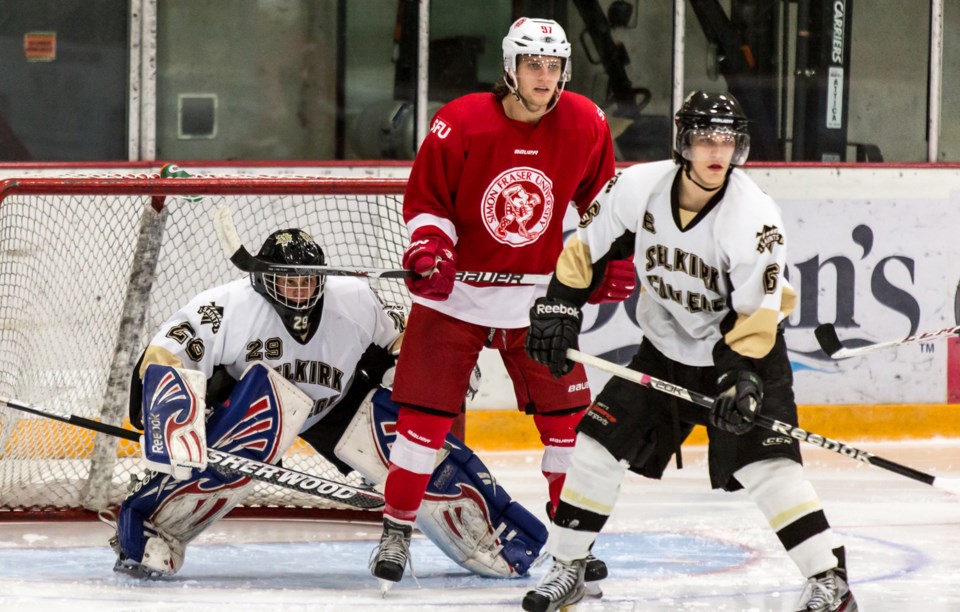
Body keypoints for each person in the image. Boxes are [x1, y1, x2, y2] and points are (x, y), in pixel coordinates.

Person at [523, 91, 858, 612]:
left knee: (768, 467)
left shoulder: (754, 217)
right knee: (594, 444)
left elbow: (755, 315)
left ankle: (828, 579)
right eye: (705, 139)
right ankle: (570, 569)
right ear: (683, 143)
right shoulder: (638, 187)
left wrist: (742, 379)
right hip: (664, 351)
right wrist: (561, 307)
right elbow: (588, 247)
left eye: (727, 140)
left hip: (745, 353)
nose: (717, 151)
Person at [106, 227, 546, 580]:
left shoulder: (352, 298)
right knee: (250, 425)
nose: (300, 291)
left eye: (307, 280)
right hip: (255, 405)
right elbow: (164, 355)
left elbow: (404, 338)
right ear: (262, 278)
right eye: (287, 281)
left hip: (337, 405)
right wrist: (174, 420)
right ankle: (150, 524)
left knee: (411, 444)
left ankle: (500, 538)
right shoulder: (224, 307)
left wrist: (434, 369)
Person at [369, 16, 633, 593]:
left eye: (554, 65)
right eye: (533, 65)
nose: (544, 76)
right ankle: (396, 531)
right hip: (457, 298)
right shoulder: (459, 121)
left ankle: (573, 546)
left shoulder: (586, 122)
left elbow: (602, 205)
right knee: (421, 426)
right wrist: (431, 249)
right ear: (510, 69)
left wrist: (611, 256)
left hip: (539, 301)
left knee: (568, 429)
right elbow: (428, 200)